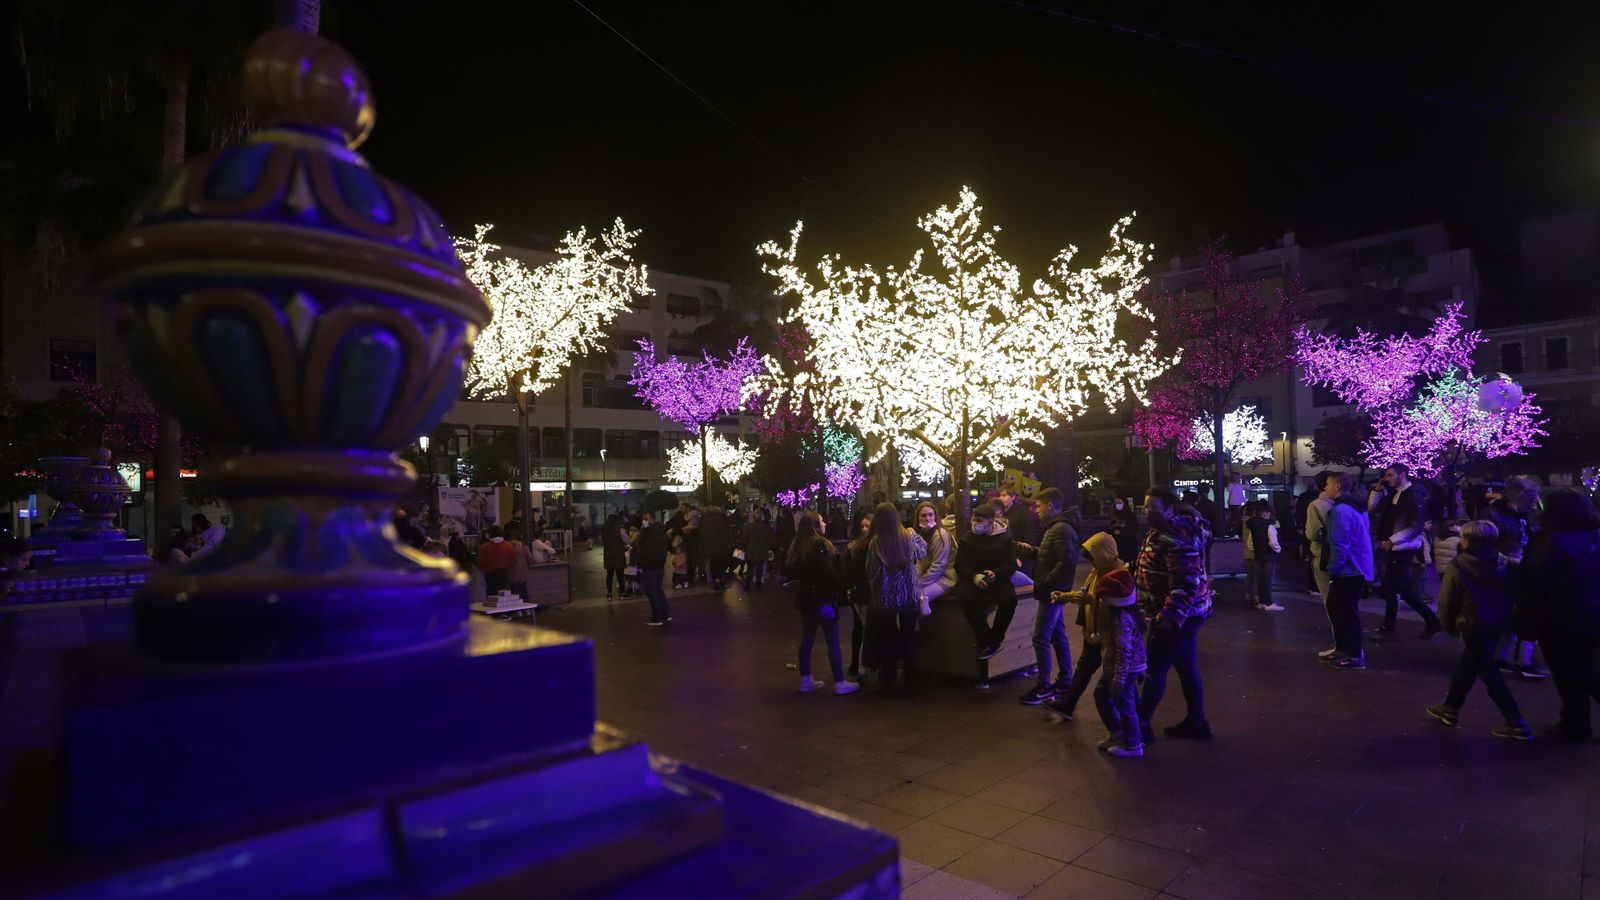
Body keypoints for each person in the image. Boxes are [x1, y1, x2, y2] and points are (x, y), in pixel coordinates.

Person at [1426, 520, 1531, 740]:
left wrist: (1449, 625)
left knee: (1489, 673)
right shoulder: (1505, 563)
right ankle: (1450, 707)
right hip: (1498, 622)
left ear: (1467, 540)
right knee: (1469, 665)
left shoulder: (1459, 565)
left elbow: (1447, 602)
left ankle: (1515, 720)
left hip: (1472, 624)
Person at [1517, 487, 1600, 739]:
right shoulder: (1594, 536)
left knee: (1568, 671)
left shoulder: (1550, 540)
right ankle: (1575, 721)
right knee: (1587, 666)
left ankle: (1575, 721)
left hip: (1559, 615)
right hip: (1593, 612)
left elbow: (1535, 578)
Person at [1136, 486, 1214, 742]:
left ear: (1170, 509)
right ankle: (1197, 722)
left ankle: (1139, 725)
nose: (1148, 512)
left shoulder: (1175, 536)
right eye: (1145, 507)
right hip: (1187, 614)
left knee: (1154, 669)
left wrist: (1168, 618)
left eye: (1153, 508)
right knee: (1186, 668)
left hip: (1177, 617)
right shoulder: (1163, 532)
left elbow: (1186, 581)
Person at [1056, 532, 1144, 757]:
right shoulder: (1105, 576)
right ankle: (1121, 734)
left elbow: (1123, 648)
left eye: (1093, 557)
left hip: (1121, 662)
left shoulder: (1117, 601)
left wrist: (1120, 676)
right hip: (1115, 657)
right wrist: (1067, 596)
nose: (1091, 562)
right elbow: (1092, 597)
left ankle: (1133, 743)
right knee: (1118, 696)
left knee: (1118, 697)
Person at [1017, 488, 1078, 704]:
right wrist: (1035, 551)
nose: (1037, 511)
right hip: (1054, 591)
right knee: (1057, 636)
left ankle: (1043, 685)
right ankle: (1065, 680)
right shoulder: (1057, 527)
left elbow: (1067, 561)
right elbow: (1055, 556)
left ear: (1050, 505)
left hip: (1052, 593)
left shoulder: (1060, 529)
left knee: (1040, 637)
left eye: (1039, 506)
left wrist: (1045, 582)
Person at [788, 512, 860, 696]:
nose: (825, 523)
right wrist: (840, 584)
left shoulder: (798, 547)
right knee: (833, 641)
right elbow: (827, 572)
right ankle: (839, 681)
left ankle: (806, 678)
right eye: (821, 521)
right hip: (824, 599)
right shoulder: (820, 546)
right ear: (815, 525)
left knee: (807, 639)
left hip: (806, 600)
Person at [1369, 464, 1443, 638]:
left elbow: (1415, 526)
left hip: (1401, 548)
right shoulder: (1396, 495)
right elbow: (1372, 508)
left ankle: (1389, 628)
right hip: (1394, 547)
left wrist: (1392, 541)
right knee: (1402, 589)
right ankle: (1431, 621)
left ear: (1402, 475)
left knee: (1391, 588)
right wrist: (1378, 490)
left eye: (1389, 475)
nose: (1386, 478)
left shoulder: (1413, 497)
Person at [864, 503, 927, 695]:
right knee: (909, 638)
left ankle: (889, 682)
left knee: (888, 640)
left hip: (886, 598)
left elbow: (871, 572)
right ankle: (912, 683)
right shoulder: (907, 537)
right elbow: (923, 551)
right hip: (909, 595)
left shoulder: (876, 542)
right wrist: (914, 533)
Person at [1488, 476, 1547, 679]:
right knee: (1519, 615)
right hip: (1505, 572)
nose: (1534, 503)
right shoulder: (1494, 514)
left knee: (1518, 617)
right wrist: (1508, 559)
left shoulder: (1524, 514)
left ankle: (1503, 657)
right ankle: (1517, 659)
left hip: (1521, 569)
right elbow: (1484, 546)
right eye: (1531, 500)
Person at [1321, 473, 1374, 668]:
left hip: (1348, 569)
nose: (1324, 488)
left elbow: (1339, 543)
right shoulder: (1357, 508)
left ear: (1337, 487)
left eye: (1327, 484)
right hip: (1358, 566)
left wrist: (1333, 568)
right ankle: (1344, 650)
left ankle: (1353, 655)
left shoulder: (1340, 511)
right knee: (1340, 609)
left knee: (1343, 612)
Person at [955, 503, 1019, 661]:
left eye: (979, 520)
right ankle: (985, 639)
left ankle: (996, 638)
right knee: (964, 598)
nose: (975, 524)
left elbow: (1011, 564)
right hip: (974, 579)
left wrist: (996, 574)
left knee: (1009, 599)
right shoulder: (968, 538)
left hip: (997, 579)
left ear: (991, 522)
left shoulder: (1005, 539)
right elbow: (960, 564)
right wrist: (974, 577)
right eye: (973, 520)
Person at [843, 512, 877, 680]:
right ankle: (860, 664)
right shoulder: (856, 547)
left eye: (867, 526)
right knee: (861, 629)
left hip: (864, 592)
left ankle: (861, 664)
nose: (864, 529)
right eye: (862, 526)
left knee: (862, 629)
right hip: (862, 592)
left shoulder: (869, 546)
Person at [912, 501, 956, 618]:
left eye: (930, 515)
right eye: (923, 515)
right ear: (918, 518)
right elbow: (919, 561)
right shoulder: (922, 534)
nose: (927, 518)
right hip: (931, 576)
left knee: (915, 598)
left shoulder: (940, 534)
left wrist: (919, 583)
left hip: (946, 578)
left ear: (935, 516)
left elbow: (939, 566)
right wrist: (915, 579)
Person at [1243, 500, 1285, 611]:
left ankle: (1261, 602)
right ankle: (1269, 603)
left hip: (1258, 555)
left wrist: (1256, 549)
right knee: (1268, 579)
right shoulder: (1269, 526)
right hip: (1269, 556)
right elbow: (1273, 543)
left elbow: (1249, 543)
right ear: (1266, 514)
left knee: (1260, 580)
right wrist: (1278, 550)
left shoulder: (1252, 526)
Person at [635, 510, 672, 625]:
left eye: (646, 519)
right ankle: (665, 614)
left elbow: (644, 551)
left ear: (651, 519)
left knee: (652, 592)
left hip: (650, 566)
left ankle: (657, 617)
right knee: (658, 590)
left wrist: (641, 564)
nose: (644, 521)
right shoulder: (661, 531)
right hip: (659, 565)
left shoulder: (648, 533)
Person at [998, 487, 1039, 576]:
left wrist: (1020, 557)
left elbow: (1029, 536)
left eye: (1004, 495)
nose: (1000, 498)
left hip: (1022, 560)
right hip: (1007, 560)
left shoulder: (1022, 512)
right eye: (999, 496)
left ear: (1012, 497)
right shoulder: (1000, 514)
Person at [475, 525, 516, 596]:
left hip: (490, 574)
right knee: (503, 595)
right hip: (504, 573)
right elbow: (513, 560)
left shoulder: (484, 547)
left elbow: (481, 562)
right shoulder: (508, 545)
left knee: (491, 595)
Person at [741, 507, 774, 590]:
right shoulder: (766, 527)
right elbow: (770, 539)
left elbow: (745, 539)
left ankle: (748, 584)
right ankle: (758, 583)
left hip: (751, 549)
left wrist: (743, 546)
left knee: (750, 568)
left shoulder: (749, 527)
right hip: (762, 549)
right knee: (760, 567)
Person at [699, 505, 731, 589]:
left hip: (708, 546)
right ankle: (720, 579)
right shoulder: (721, 519)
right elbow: (726, 532)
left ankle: (714, 580)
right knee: (720, 564)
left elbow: (701, 533)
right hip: (721, 546)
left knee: (712, 564)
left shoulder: (704, 520)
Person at [602, 513, 629, 601]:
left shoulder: (604, 530)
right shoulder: (619, 530)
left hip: (608, 556)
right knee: (620, 575)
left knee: (609, 575)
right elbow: (627, 540)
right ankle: (622, 593)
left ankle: (609, 594)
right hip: (618, 555)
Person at [1109, 497, 1141, 564]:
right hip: (1117, 546)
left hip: (1128, 545)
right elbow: (1110, 529)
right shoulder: (1113, 516)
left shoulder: (1130, 515)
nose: (1118, 505)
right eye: (1116, 503)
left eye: (1120, 503)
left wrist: (1122, 531)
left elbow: (1134, 529)